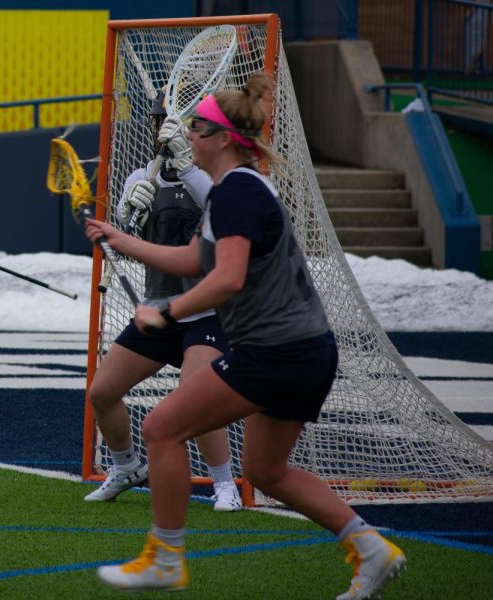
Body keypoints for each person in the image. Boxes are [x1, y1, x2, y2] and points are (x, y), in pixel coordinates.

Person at [86, 74, 406, 598]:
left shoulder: (236, 191)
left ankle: (165, 557)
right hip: (304, 350)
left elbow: (226, 278)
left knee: (163, 428)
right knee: (266, 469)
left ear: (221, 138)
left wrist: (167, 311)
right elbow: (195, 258)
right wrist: (120, 238)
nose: (187, 136)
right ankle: (371, 548)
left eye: (196, 128)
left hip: (278, 351)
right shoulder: (235, 190)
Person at [84, 91, 242, 512]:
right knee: (102, 391)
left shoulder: (215, 180)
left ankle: (224, 483)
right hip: (159, 309)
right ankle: (125, 466)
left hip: (206, 311)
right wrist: (127, 212)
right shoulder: (142, 176)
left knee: (196, 396)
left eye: (178, 125)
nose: (165, 131)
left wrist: (186, 165)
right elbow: (129, 230)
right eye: (161, 123)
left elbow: (219, 202)